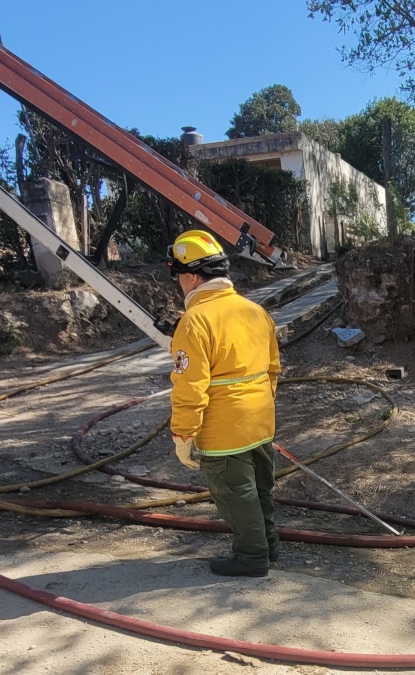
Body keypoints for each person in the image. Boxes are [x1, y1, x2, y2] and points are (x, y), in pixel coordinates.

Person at [167, 230, 281, 577]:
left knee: (235, 494)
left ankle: (251, 557)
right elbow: (273, 369)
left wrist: (183, 435)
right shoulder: (255, 311)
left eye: (179, 277)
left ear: (191, 277)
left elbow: (190, 387)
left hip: (223, 431)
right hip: (260, 421)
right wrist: (260, 405)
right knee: (260, 488)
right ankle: (268, 545)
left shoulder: (194, 321)